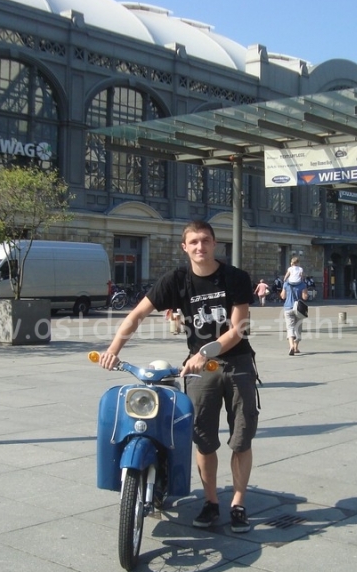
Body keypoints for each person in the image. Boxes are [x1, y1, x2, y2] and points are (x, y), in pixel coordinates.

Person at [96, 220, 258, 533]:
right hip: (199, 371)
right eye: (194, 242)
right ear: (185, 247)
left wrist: (205, 353)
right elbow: (137, 314)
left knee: (241, 439)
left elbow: (238, 329)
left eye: (206, 241)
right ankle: (211, 502)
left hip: (236, 364)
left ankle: (238, 503)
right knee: (203, 440)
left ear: (214, 244)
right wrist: (113, 349)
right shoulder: (176, 281)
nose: (201, 247)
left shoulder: (234, 277)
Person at [282, 275, 309, 356]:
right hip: (298, 309)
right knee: (298, 328)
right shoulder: (302, 284)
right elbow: (305, 297)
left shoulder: (286, 284)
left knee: (290, 328)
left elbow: (283, 296)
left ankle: (291, 346)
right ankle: (296, 347)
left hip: (288, 308)